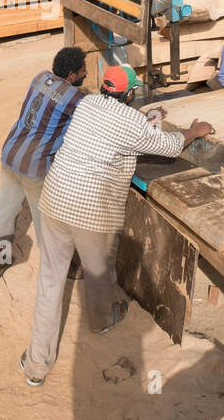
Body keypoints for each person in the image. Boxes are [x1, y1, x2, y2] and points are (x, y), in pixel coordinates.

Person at [20, 65, 213, 386]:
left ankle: (36, 366)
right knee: (99, 271)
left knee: (50, 283)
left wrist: (145, 125)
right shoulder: (132, 121)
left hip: (55, 199)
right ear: (131, 94)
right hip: (90, 211)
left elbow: (113, 133)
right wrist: (193, 131)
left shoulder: (86, 104)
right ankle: (102, 320)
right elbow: (167, 146)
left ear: (104, 88)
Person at [0, 46, 87, 280]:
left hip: (10, 153)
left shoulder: (40, 77)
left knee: (5, 211)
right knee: (47, 221)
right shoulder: (73, 96)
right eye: (83, 71)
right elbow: (92, 115)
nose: (85, 75)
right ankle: (61, 268)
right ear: (72, 75)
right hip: (34, 166)